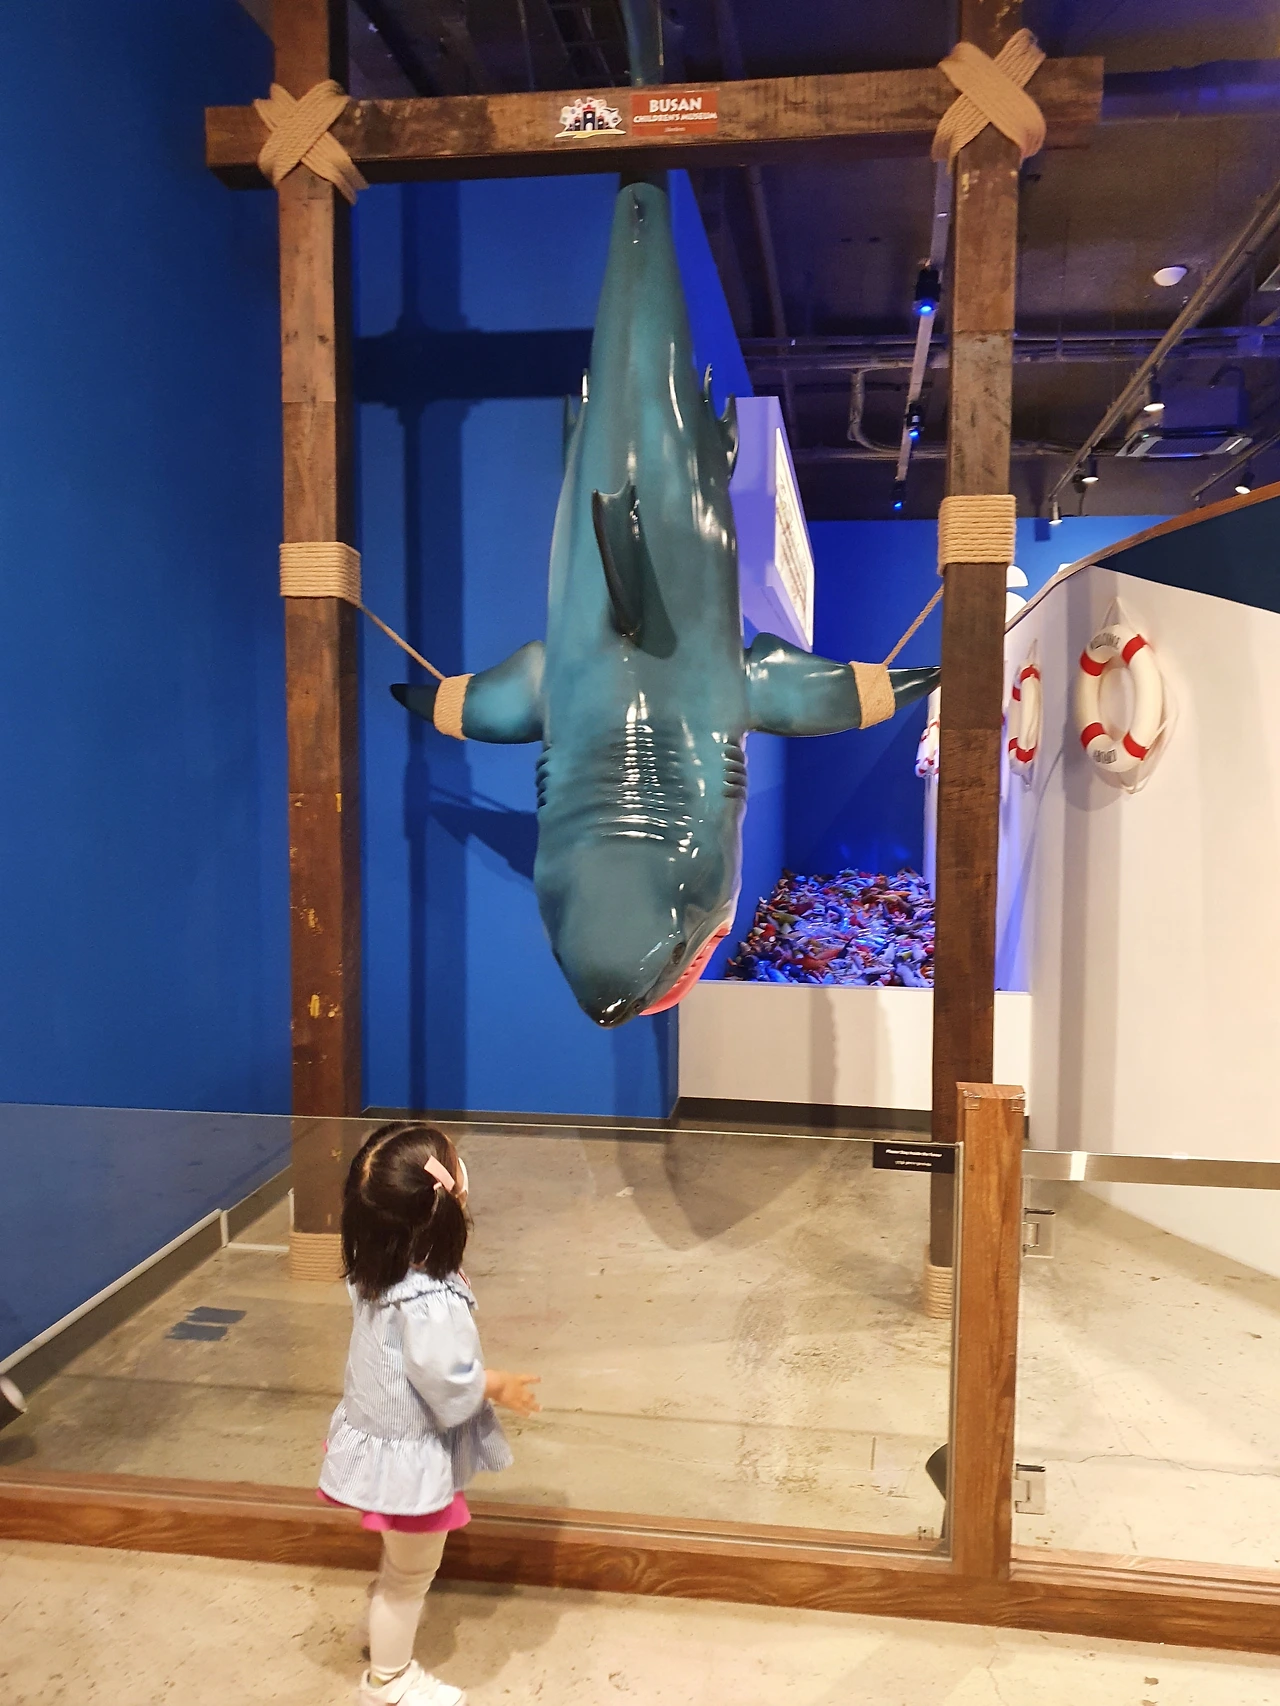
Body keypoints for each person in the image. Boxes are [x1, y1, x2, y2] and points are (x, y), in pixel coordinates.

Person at [319, 1121, 541, 1706]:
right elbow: (448, 1382)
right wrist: (497, 1384)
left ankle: (380, 1632)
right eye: (455, 1162)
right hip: (408, 1461)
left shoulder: (375, 1266)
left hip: (377, 1437)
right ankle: (389, 1680)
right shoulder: (429, 1301)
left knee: (398, 1565)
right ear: (444, 1202)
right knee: (410, 1576)